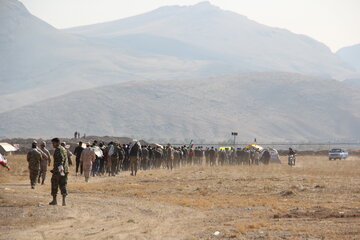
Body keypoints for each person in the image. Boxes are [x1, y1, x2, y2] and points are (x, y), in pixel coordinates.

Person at [49, 138, 69, 206]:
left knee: (54, 183)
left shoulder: (58, 149)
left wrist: (59, 171)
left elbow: (61, 160)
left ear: (57, 142)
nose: (52, 145)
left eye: (53, 143)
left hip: (59, 170)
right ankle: (64, 201)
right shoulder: (63, 149)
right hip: (64, 170)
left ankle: (54, 201)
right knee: (63, 184)